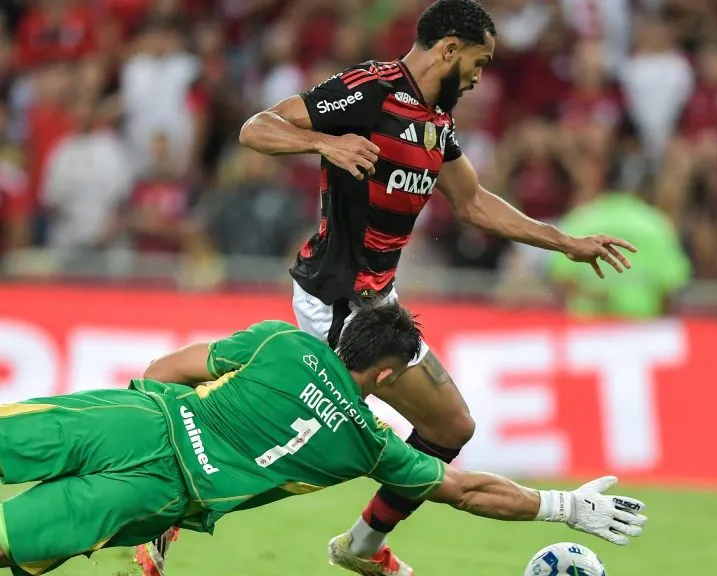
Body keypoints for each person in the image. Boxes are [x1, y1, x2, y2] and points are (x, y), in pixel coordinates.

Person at [139, 0, 640, 574]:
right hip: (334, 298)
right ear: (450, 48)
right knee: (275, 441)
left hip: (379, 306)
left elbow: (472, 202)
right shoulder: (371, 89)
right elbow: (257, 128)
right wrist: (326, 144)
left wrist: (565, 242)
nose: (480, 77)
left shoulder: (437, 122)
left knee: (451, 427)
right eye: (479, 61)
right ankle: (159, 506)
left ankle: (360, 546)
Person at [0, 305, 647, 576]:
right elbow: (466, 489)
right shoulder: (371, 444)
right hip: (160, 489)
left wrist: (163, 421)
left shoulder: (285, 340)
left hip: (126, 419)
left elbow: (170, 370)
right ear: (389, 376)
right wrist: (564, 506)